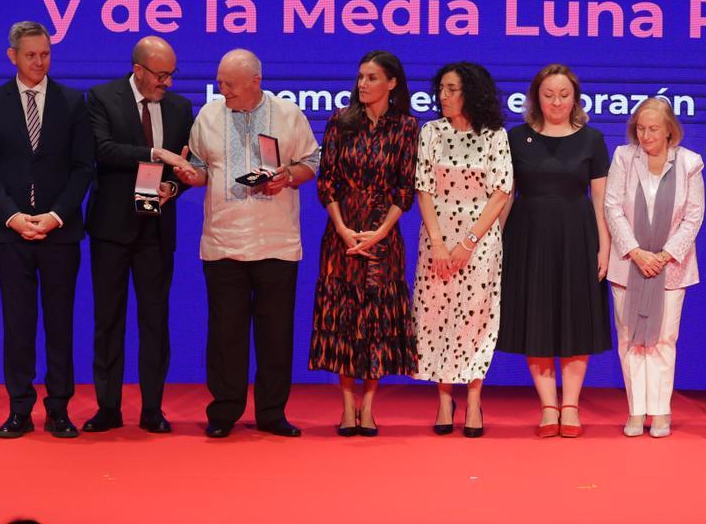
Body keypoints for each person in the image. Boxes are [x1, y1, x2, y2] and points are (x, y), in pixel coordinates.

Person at [172, 49, 320, 439]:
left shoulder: (289, 115)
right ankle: (224, 411)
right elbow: (203, 167)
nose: (222, 90)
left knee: (275, 335)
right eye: (220, 82)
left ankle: (272, 413)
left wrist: (287, 176)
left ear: (256, 81)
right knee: (225, 335)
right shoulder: (208, 115)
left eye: (230, 84)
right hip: (222, 242)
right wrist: (192, 176)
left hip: (277, 243)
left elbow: (312, 162)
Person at [0, 21, 94, 438]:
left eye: (45, 54)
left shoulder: (72, 101)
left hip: (60, 233)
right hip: (10, 234)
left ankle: (59, 408)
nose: (39, 62)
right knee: (18, 324)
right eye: (31, 55)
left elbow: (83, 168)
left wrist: (56, 215)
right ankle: (19, 409)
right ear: (12, 56)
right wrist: (12, 216)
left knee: (60, 323)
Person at [82, 36, 194, 434]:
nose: (168, 83)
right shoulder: (101, 97)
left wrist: (173, 188)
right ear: (138, 71)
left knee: (154, 321)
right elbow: (103, 149)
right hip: (111, 229)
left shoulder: (181, 107)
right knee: (108, 321)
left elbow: (189, 164)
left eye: (171, 75)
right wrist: (153, 155)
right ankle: (108, 407)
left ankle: (152, 409)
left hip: (156, 230)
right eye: (161, 75)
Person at [498, 64, 612, 438]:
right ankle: (549, 406)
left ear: (575, 98)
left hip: (578, 238)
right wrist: (496, 243)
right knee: (538, 320)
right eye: (549, 95)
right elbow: (505, 197)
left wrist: (604, 247)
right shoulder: (515, 138)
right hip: (528, 238)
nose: (557, 102)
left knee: (576, 320)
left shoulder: (592, 140)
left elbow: (600, 201)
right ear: (536, 98)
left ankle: (571, 407)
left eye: (564, 95)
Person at [309, 50, 418, 437]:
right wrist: (340, 227)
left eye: (372, 78)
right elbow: (327, 181)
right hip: (341, 233)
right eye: (360, 77)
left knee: (376, 320)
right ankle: (345, 407)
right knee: (343, 317)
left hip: (384, 235)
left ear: (392, 82)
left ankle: (368, 407)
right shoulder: (341, 121)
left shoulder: (406, 127)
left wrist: (382, 231)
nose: (363, 84)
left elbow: (405, 188)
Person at [412, 62, 512, 438]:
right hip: (437, 237)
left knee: (474, 318)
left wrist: (469, 241)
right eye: (441, 89)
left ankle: (473, 398)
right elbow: (423, 187)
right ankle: (443, 397)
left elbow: (501, 191)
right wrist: (439, 243)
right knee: (436, 314)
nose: (443, 96)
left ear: (471, 92)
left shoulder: (495, 136)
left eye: (451, 89)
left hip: (480, 240)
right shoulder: (431, 132)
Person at [604, 97, 704, 438]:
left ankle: (661, 411)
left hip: (671, 268)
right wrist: (636, 252)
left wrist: (663, 255)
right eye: (641, 129)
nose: (646, 136)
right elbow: (612, 206)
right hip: (628, 265)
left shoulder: (690, 163)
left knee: (663, 340)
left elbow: (693, 216)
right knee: (631, 339)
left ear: (669, 131)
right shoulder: (623, 157)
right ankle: (636, 411)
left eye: (653, 129)